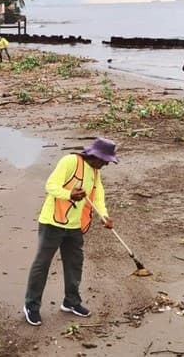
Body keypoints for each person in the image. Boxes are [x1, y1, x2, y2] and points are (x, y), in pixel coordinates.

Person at [23, 137, 118, 326]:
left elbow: (97, 197)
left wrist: (104, 216)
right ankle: (31, 306)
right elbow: (50, 185)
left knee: (75, 263)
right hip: (53, 222)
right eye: (105, 160)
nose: (106, 164)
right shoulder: (69, 161)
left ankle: (71, 302)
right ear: (95, 155)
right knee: (42, 264)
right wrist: (70, 194)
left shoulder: (95, 172)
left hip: (74, 226)